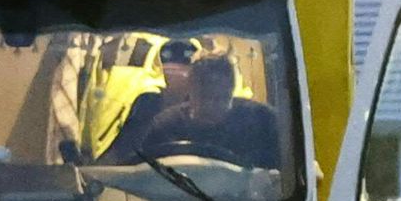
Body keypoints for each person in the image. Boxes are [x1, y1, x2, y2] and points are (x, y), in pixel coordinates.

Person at [108, 46, 285, 172]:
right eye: (205, 96)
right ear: (190, 90)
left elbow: (281, 178)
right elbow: (143, 171)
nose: (212, 105)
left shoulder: (262, 122)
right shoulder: (166, 126)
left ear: (232, 91)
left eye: (222, 98)